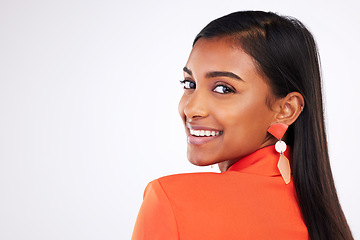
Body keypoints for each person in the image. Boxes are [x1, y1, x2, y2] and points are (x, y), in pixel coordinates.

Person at [131, 11, 353, 240]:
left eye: (223, 89)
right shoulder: (322, 215)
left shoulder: (170, 201)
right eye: (190, 83)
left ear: (286, 109)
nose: (191, 109)